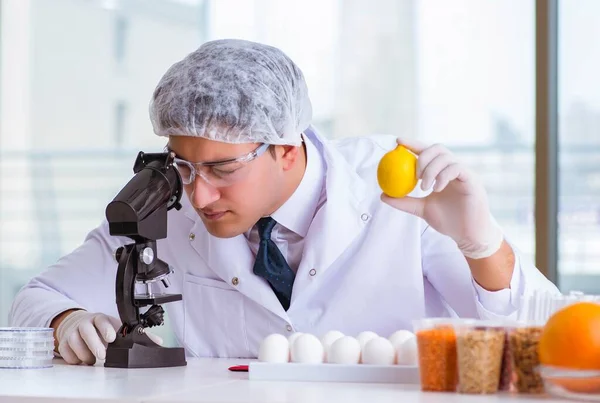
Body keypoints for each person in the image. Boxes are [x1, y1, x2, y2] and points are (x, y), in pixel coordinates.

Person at [9, 39, 558, 365]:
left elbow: (542, 338)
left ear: (288, 149)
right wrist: (66, 317)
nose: (199, 194)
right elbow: (35, 298)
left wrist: (479, 244)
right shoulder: (172, 202)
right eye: (183, 164)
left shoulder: (400, 191)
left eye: (222, 169)